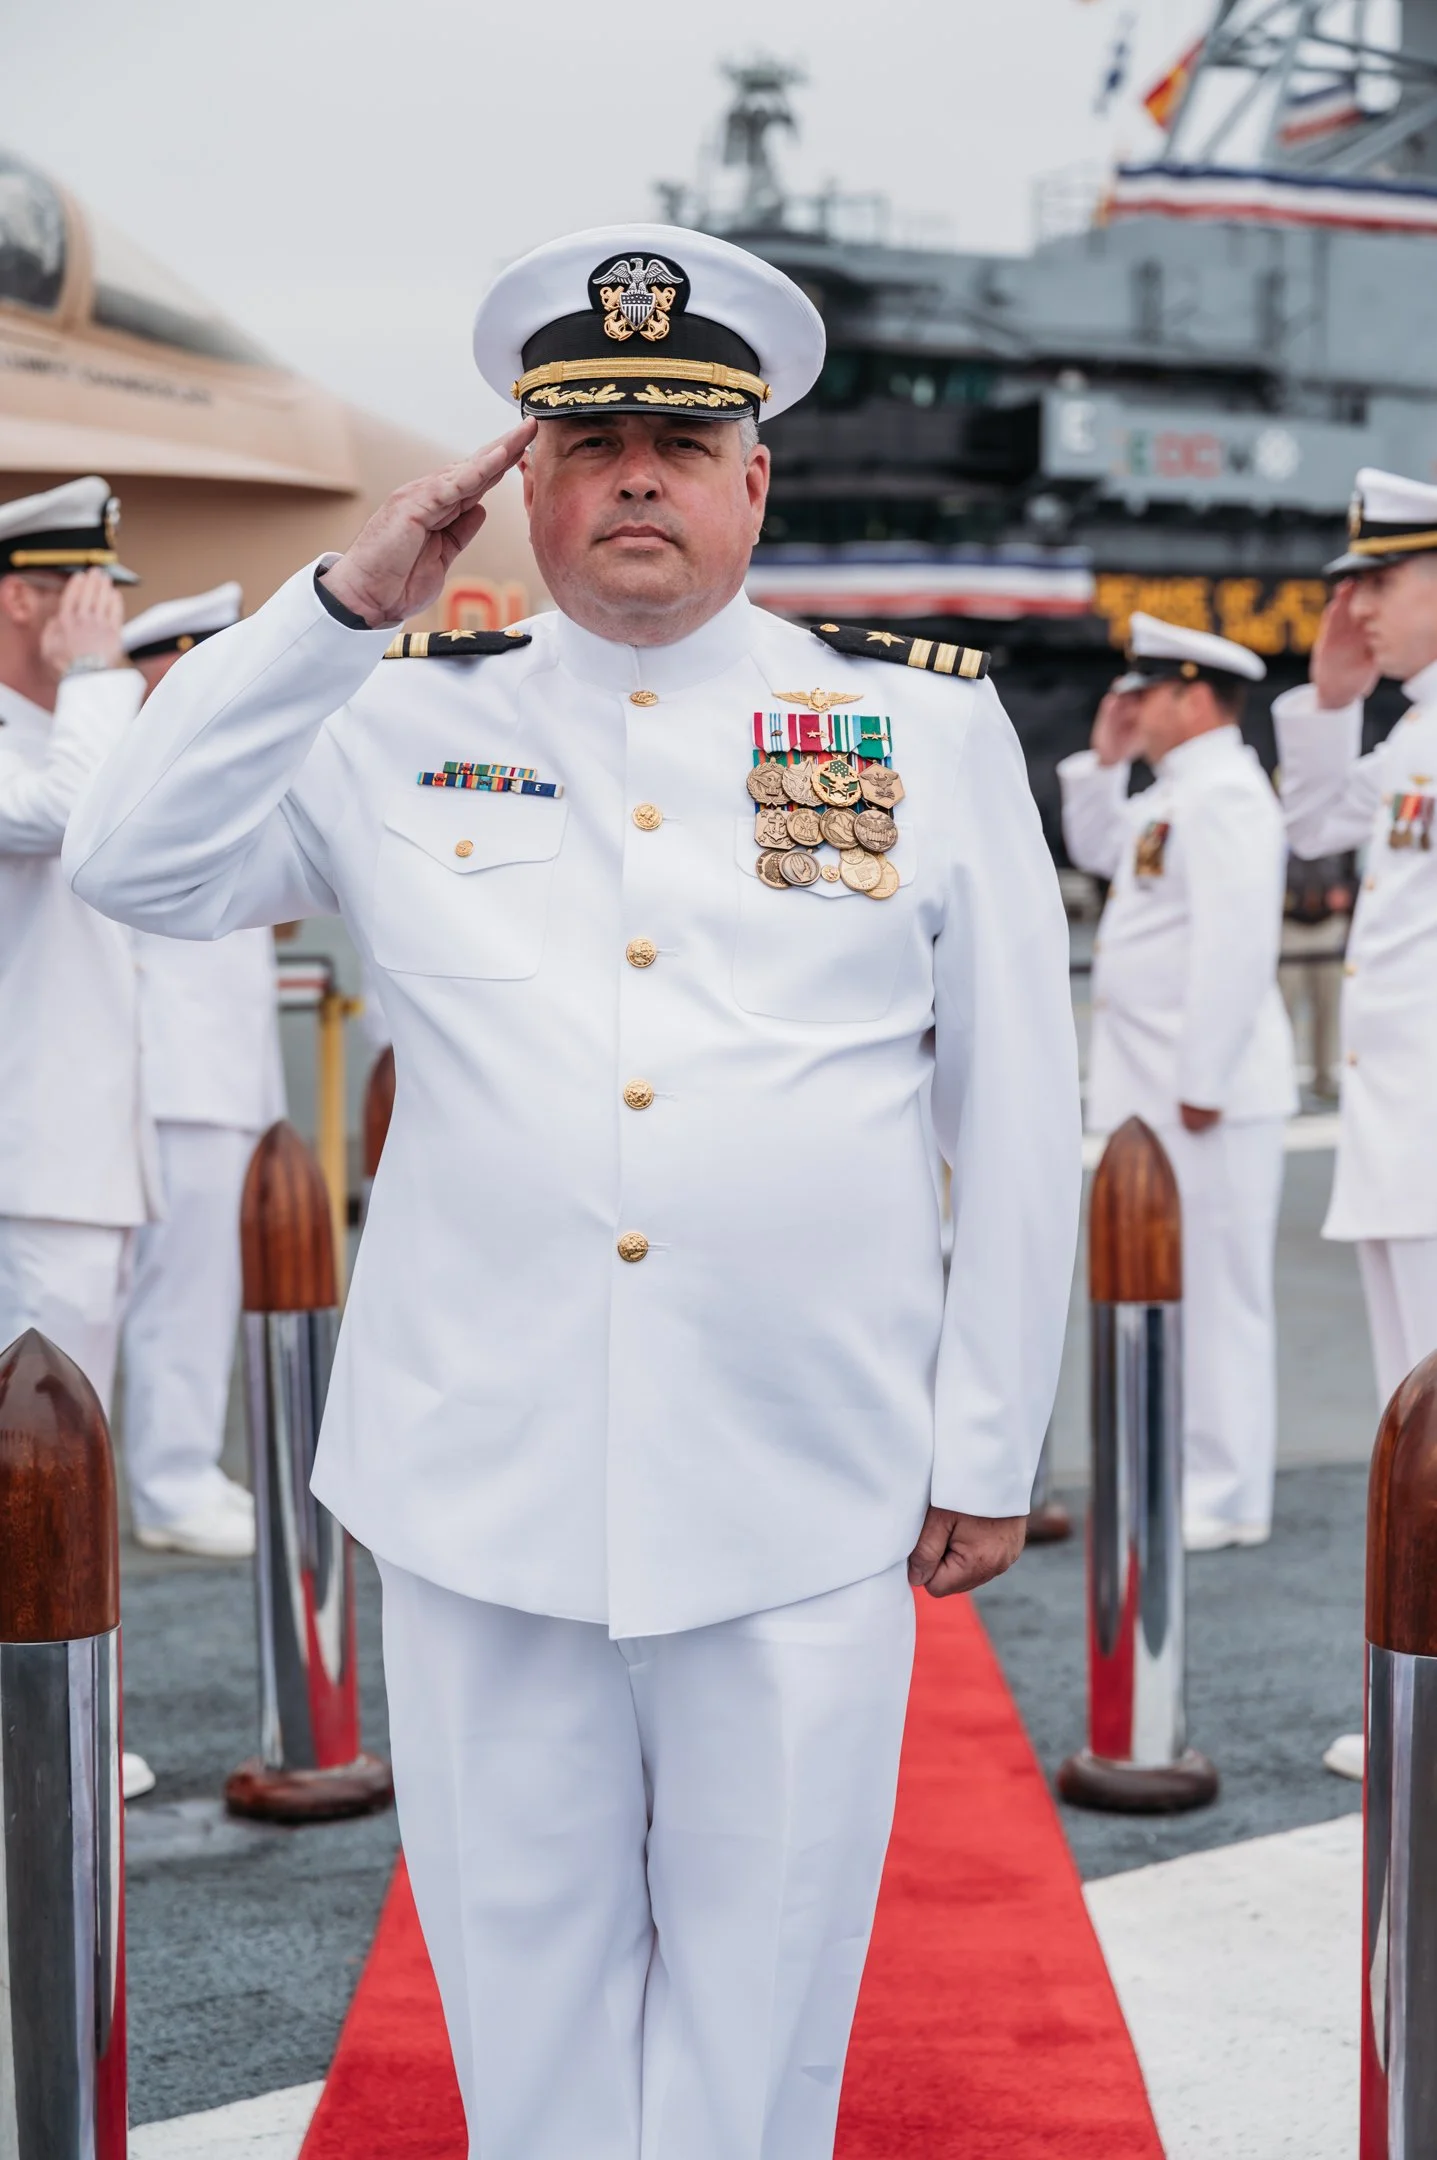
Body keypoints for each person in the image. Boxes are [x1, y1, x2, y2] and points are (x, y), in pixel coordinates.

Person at [65, 225, 1080, 2158]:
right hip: (483, 1475)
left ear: (752, 480)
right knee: (514, 1978)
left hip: (803, 1474)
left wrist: (983, 1442)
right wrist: (344, 601)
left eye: (679, 444)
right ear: (519, 479)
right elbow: (128, 861)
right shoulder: (388, 710)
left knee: (767, 1985)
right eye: (590, 437)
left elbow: (1017, 1103)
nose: (633, 473)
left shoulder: (922, 730)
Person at [1059, 614, 1296, 1552]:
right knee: (1168, 1286)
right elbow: (1097, 850)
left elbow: (1236, 952)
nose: (1134, 707)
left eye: (1147, 694)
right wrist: (1103, 761)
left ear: (1194, 695)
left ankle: (1229, 1491)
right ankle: (1191, 1474)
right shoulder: (1177, 794)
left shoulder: (1228, 795)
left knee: (1218, 1293)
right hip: (1157, 1089)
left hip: (1208, 1094)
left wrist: (1200, 1080)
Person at [1273, 468, 1437, 1784]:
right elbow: (1317, 825)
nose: (1357, 608)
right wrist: (1329, 697)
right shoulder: (1410, 730)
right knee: (1416, 1440)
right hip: (1397, 1141)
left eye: (1378, 583)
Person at [0, 475, 158, 1804]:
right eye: (89, 598)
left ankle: (58, 1734)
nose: (106, 624)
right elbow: (78, 823)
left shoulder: (67, 739)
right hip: (21, 1177)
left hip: (73, 1167)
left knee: (66, 1485)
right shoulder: (45, 746)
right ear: (27, 602)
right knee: (31, 1477)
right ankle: (37, 1750)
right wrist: (99, 679)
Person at [118, 584, 285, 1560]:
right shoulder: (140, 771)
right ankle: (166, 1483)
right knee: (166, 1293)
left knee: (192, 1289)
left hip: (214, 1070)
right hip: (170, 1072)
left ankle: (172, 1472)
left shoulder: (219, 769)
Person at [1280, 849, 1356, 1102]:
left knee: (1330, 1007)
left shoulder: (1338, 826)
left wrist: (1346, 892)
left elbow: (1355, 873)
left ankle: (1326, 1078)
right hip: (1289, 923)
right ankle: (1281, 1080)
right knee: (1283, 1010)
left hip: (1328, 924)